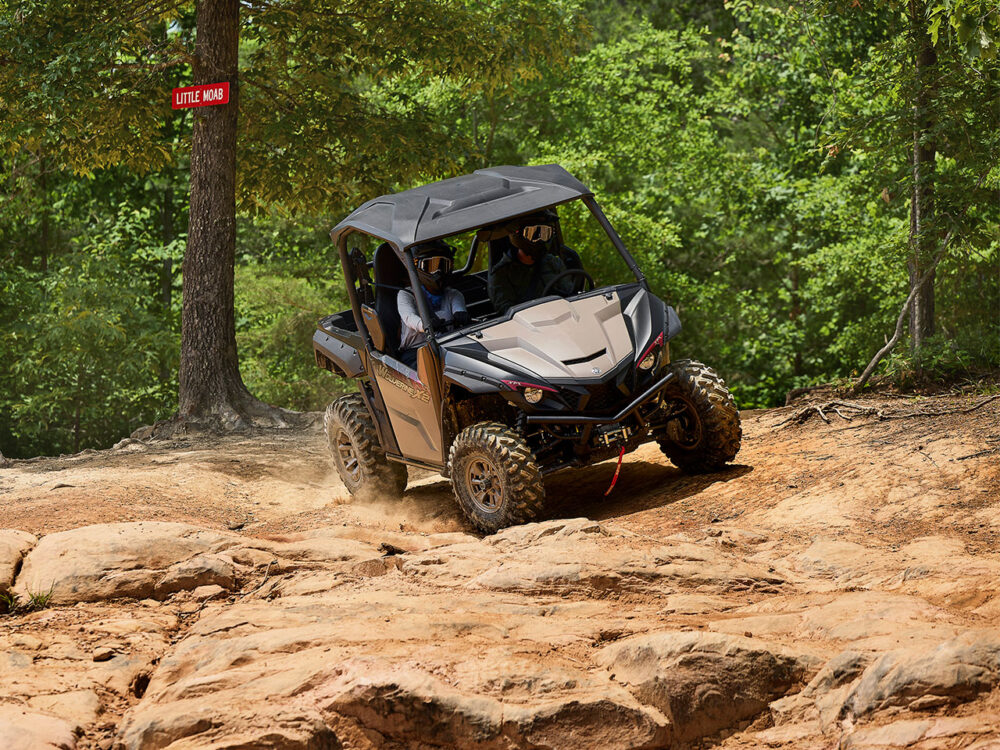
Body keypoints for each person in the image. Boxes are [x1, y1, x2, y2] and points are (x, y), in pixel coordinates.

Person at [397, 240, 469, 369]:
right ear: (417, 266)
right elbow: (409, 318)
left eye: (443, 265)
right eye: (431, 266)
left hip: (448, 347)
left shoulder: (453, 294)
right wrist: (424, 325)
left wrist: (460, 315)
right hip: (417, 351)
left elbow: (459, 308)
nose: (438, 272)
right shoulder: (406, 294)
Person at [488, 211, 576, 315]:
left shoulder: (553, 262)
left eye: (545, 233)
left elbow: (571, 296)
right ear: (518, 236)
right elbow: (507, 312)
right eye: (533, 234)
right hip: (528, 327)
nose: (540, 239)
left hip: (563, 316)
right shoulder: (501, 274)